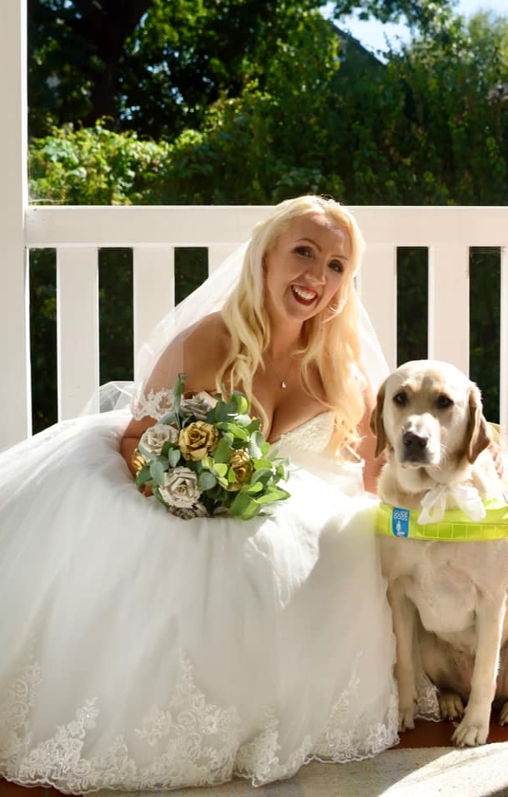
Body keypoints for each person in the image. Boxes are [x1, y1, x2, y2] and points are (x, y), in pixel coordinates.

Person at [0, 195, 401, 793]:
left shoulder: (342, 369)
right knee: (180, 563)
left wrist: (458, 472)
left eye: (337, 265)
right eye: (304, 253)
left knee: (338, 547)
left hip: (281, 507)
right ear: (265, 258)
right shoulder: (207, 342)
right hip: (169, 490)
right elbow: (137, 437)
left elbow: (377, 475)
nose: (317, 276)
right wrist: (179, 487)